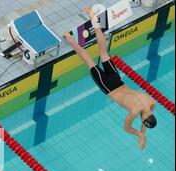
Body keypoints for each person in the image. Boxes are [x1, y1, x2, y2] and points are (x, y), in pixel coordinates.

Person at [64, 7, 157, 150]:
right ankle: (70, 38)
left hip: (117, 80)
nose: (142, 121)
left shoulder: (151, 102)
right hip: (108, 87)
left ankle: (94, 21)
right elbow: (126, 128)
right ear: (145, 119)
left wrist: (144, 132)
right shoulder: (134, 112)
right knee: (89, 62)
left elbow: (145, 118)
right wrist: (140, 135)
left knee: (103, 52)